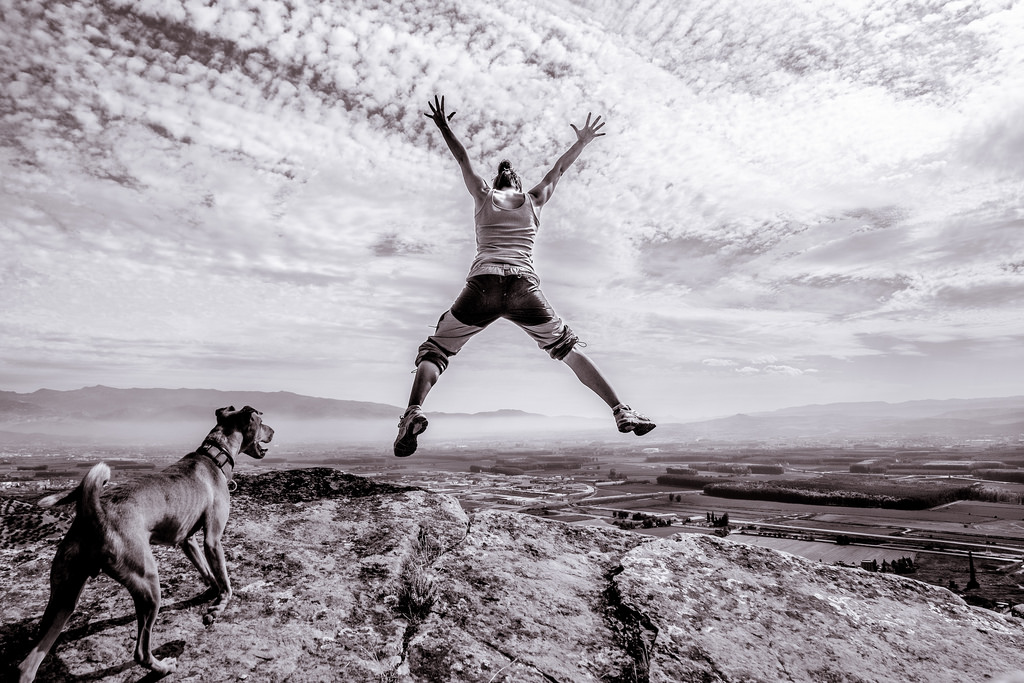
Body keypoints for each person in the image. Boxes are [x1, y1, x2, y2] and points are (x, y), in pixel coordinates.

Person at [394, 95, 655, 457]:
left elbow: (463, 159)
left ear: (497, 182)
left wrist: (443, 126)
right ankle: (620, 409)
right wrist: (581, 142)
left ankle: (413, 411)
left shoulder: (484, 195)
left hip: (482, 284)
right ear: (518, 183)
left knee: (436, 350)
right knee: (567, 349)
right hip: (523, 286)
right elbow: (559, 170)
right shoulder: (534, 200)